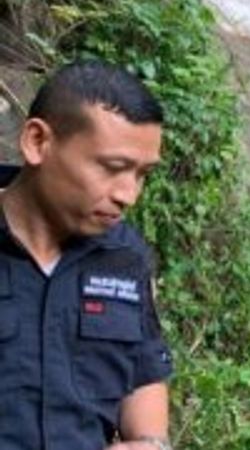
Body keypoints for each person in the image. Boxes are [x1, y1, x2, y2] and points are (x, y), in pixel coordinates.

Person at [0, 61, 173, 450]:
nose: (127, 194)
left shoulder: (124, 256)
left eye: (142, 174)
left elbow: (143, 369)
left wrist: (150, 442)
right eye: (113, 168)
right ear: (38, 142)